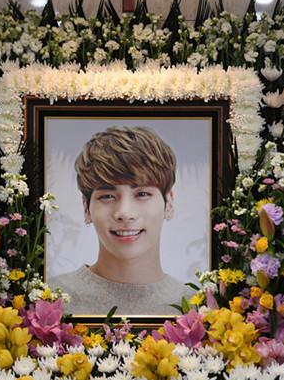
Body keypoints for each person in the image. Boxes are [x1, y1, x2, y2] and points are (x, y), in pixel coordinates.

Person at [47, 126, 194, 315]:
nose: (125, 213)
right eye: (107, 196)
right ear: (86, 207)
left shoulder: (198, 307)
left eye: (142, 194)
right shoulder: (50, 299)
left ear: (169, 202)